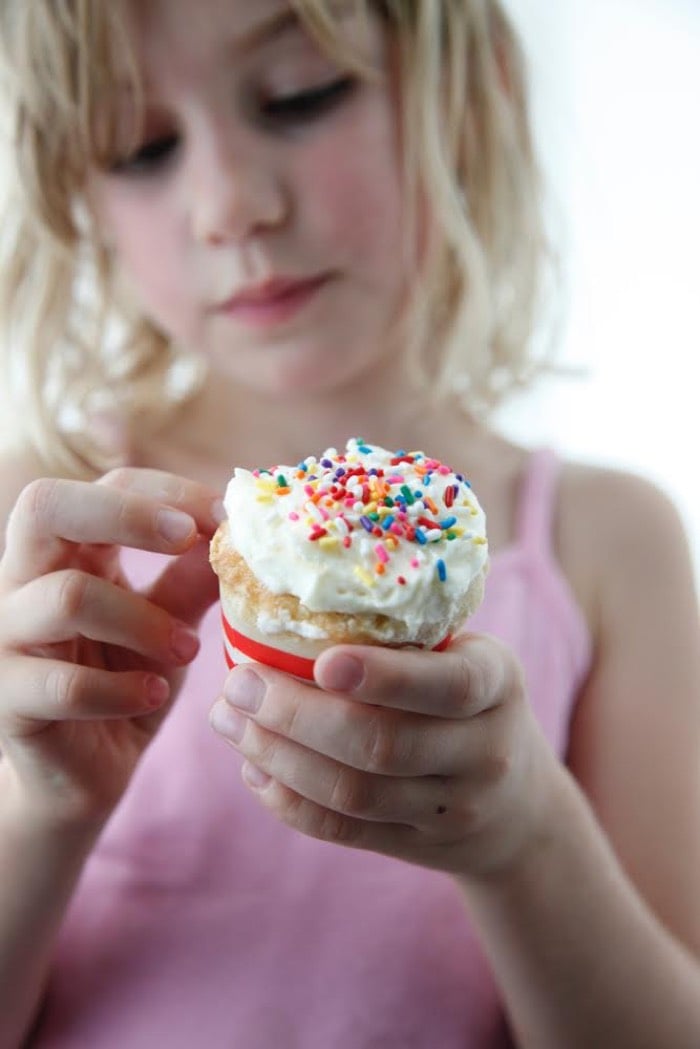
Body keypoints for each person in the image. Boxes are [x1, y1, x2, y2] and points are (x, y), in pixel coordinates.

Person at [0, 1, 699, 1046]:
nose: (230, 204)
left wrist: (523, 838)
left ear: (472, 96)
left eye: (300, 96)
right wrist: (46, 812)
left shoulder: (602, 542)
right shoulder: (42, 542)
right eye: (139, 147)